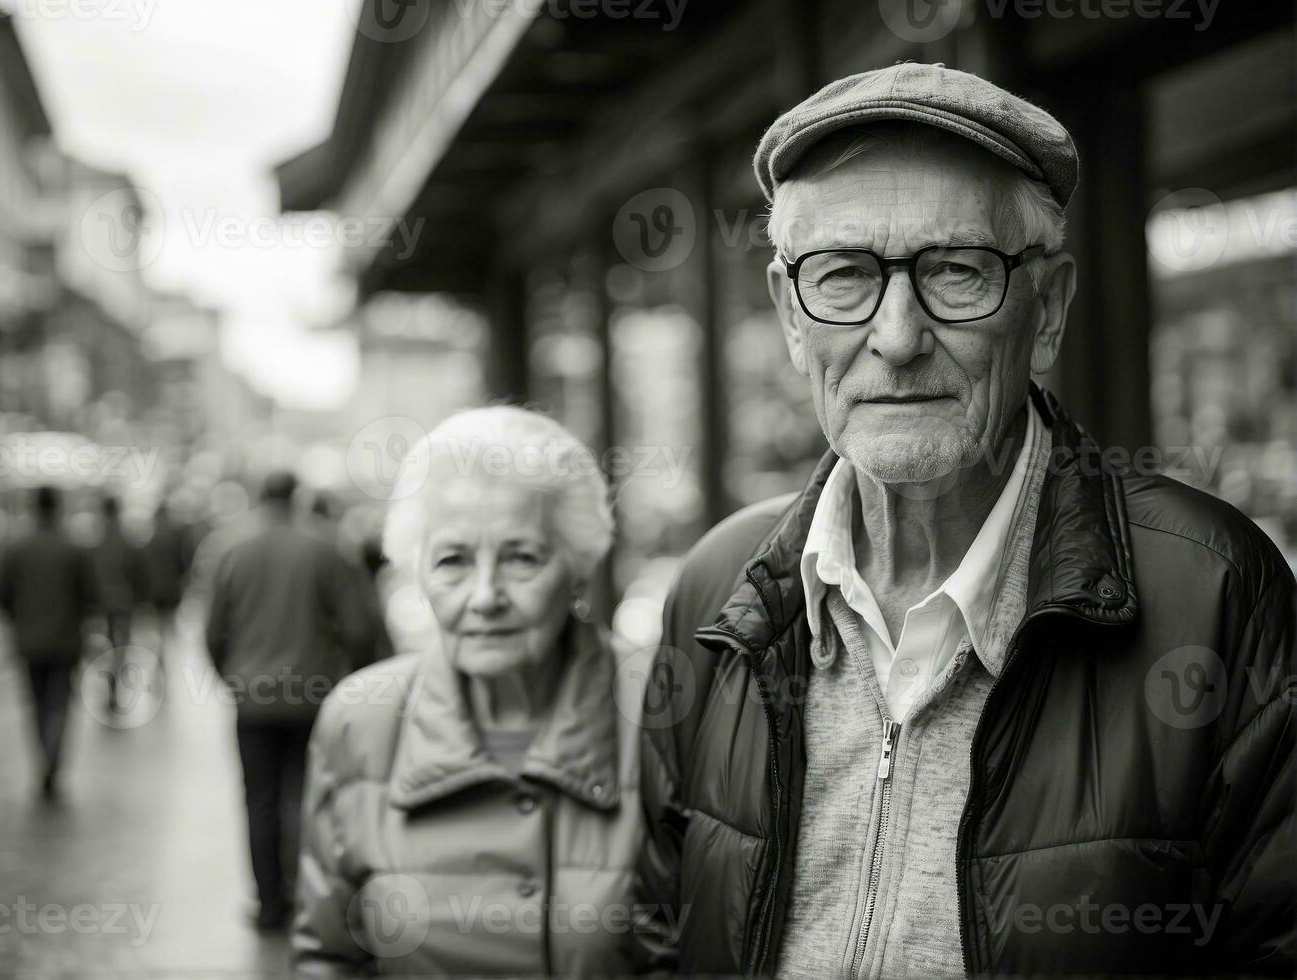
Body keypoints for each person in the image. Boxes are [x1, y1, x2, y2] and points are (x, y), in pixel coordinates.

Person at [632, 63, 1295, 977]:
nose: (897, 337)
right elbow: (658, 940)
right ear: (791, 316)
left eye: (956, 271)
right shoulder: (721, 591)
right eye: (843, 275)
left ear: (1048, 309)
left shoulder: (1214, 589)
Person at [292, 407, 645, 977]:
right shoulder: (360, 719)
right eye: (453, 560)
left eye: (521, 558)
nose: (484, 597)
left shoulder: (661, 707)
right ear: (418, 570)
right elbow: (329, 957)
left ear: (578, 567)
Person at [206, 471, 377, 931]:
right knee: (306, 797)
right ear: (297, 499)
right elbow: (361, 628)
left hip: (255, 697)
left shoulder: (233, 551)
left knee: (259, 799)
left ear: (261, 496)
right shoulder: (327, 549)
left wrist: (233, 679)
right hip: (313, 694)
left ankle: (268, 902)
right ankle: (306, 896)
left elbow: (214, 631)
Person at [0, 486, 94, 800]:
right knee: (59, 702)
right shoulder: (74, 549)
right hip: (65, 639)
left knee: (36, 702)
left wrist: (18, 620)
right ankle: (53, 758)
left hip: (30, 640)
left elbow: (0, 593)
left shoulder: (16, 549)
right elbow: (89, 595)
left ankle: (44, 758)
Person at [89, 494, 143, 715]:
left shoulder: (95, 544)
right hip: (122, 605)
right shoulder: (127, 544)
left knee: (104, 650)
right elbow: (138, 576)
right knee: (119, 649)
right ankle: (113, 690)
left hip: (100, 606)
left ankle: (108, 688)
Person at [140, 500, 195, 662]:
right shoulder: (176, 535)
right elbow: (184, 562)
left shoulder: (150, 537)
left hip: (155, 589)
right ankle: (166, 652)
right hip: (172, 588)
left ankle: (160, 652)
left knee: (157, 623)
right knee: (169, 623)